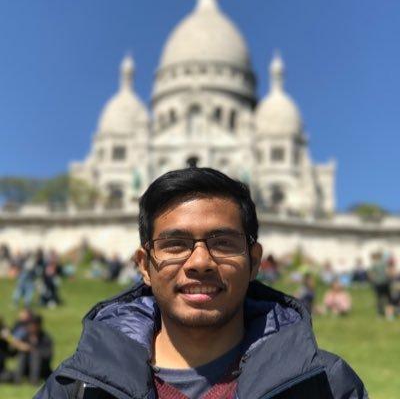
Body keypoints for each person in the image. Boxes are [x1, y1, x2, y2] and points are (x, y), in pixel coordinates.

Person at [35, 168, 367, 398]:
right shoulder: (77, 388)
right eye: (175, 244)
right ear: (144, 266)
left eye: (223, 243)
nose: (200, 262)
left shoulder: (325, 384)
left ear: (254, 261)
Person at [14, 314, 53, 384]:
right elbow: (13, 353)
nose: (31, 328)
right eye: (29, 325)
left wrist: (33, 349)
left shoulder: (45, 338)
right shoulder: (25, 337)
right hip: (27, 368)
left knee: (35, 354)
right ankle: (18, 379)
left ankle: (34, 381)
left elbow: (48, 355)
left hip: (42, 368)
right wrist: (19, 346)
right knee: (23, 354)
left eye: (33, 326)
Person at [368, 251, 391, 316]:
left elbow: (371, 274)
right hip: (385, 282)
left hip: (378, 283)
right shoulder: (384, 263)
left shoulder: (374, 264)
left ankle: (380, 313)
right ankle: (389, 313)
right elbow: (388, 272)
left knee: (379, 298)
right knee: (388, 298)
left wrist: (373, 281)